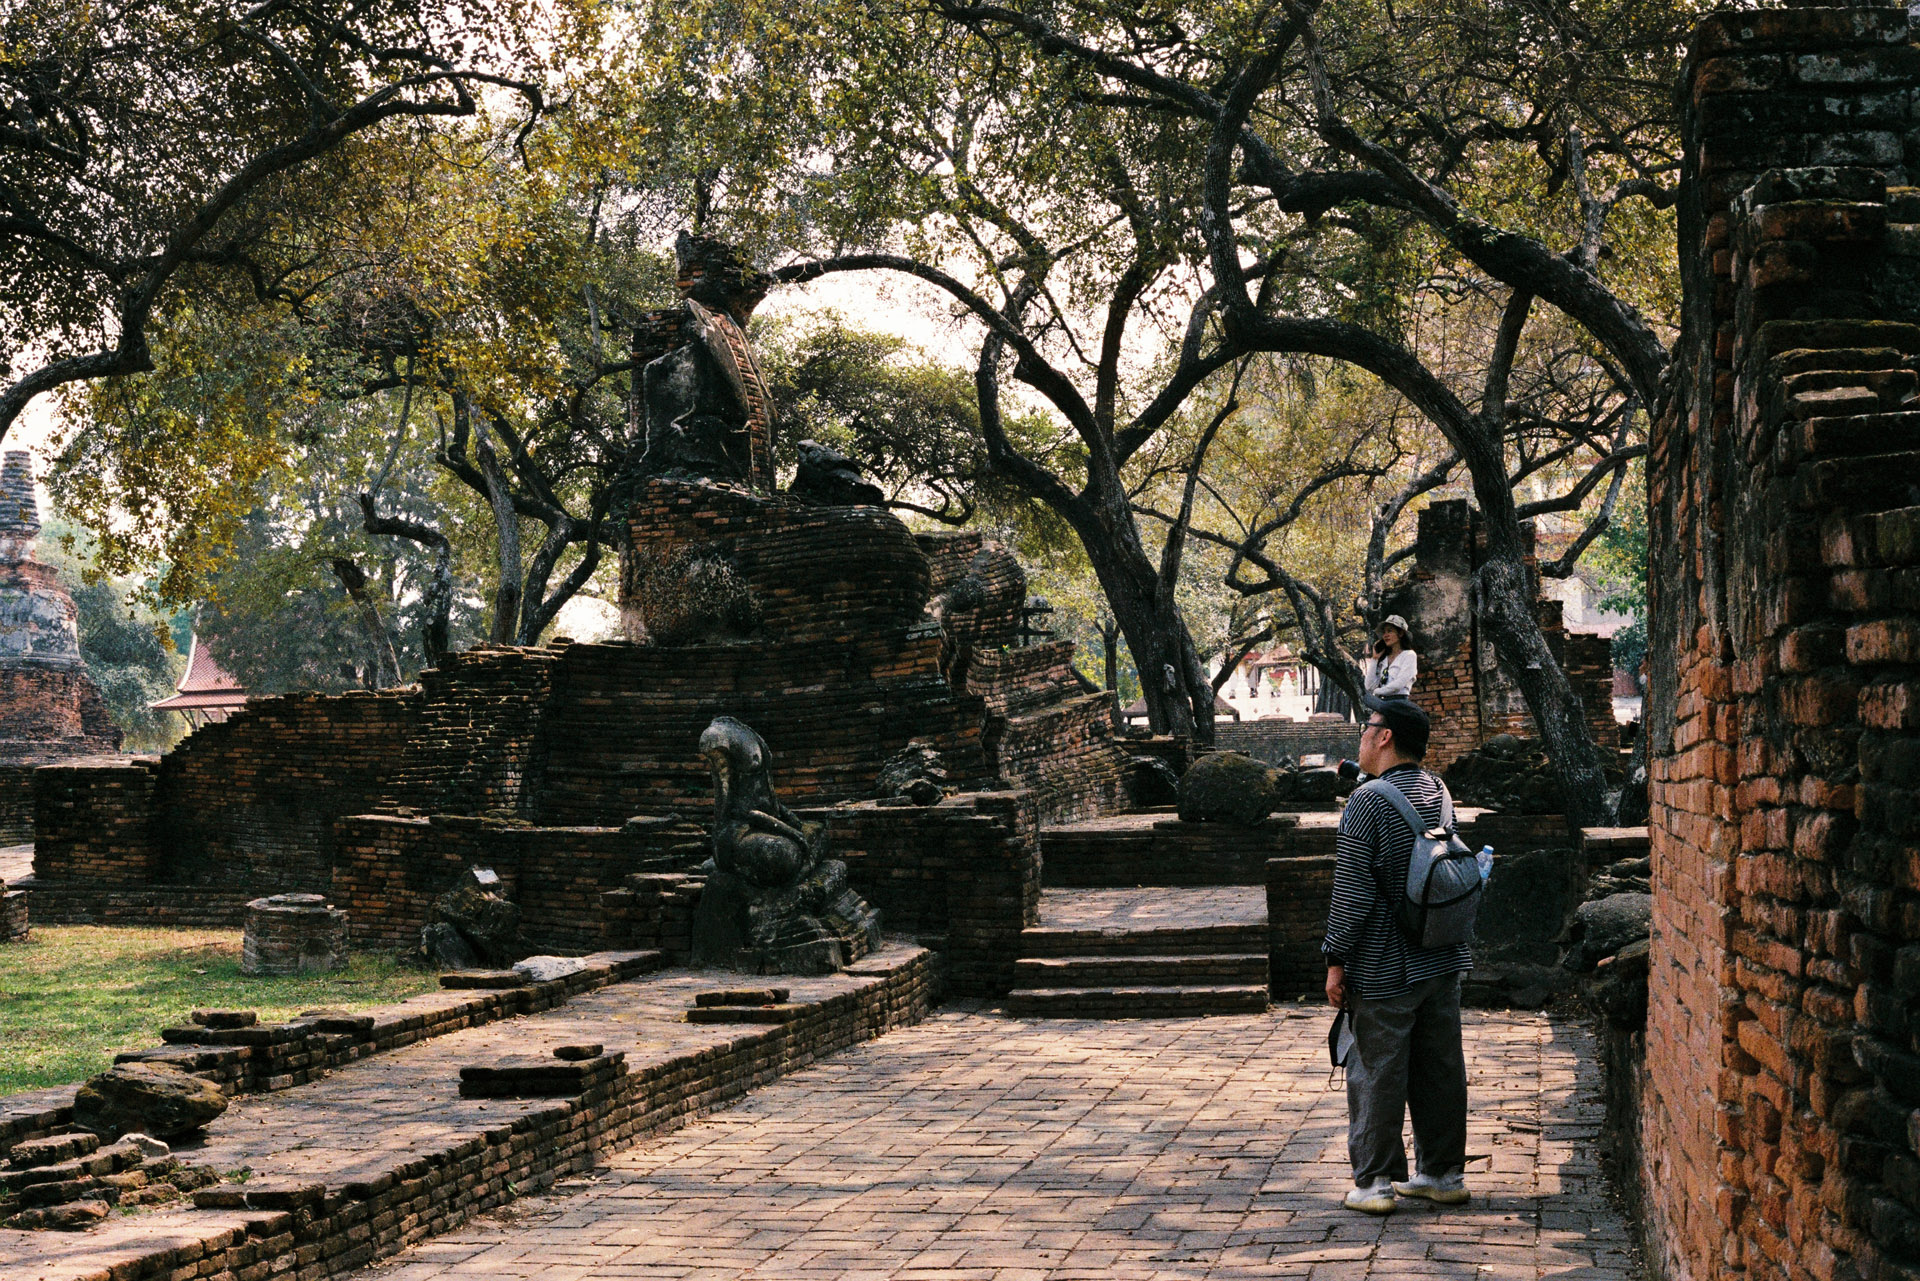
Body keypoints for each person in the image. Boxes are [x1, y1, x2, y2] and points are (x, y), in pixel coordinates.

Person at [1323, 693, 1472, 1214]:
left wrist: (1335, 958)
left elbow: (1353, 891)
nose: (1361, 735)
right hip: (1442, 951)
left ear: (1385, 736)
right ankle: (1442, 1174)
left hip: (1386, 960)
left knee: (1377, 1069)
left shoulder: (1368, 802)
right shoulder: (1438, 789)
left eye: (1367, 726)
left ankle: (1376, 1182)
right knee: (1439, 1067)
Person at [1364, 615, 1418, 699]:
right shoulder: (1384, 659)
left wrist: (1376, 692)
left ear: (1400, 633)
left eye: (1390, 631)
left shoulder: (1409, 655)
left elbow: (1398, 685)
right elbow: (1369, 686)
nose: (1385, 635)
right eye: (1384, 632)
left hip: (1399, 702)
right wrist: (1374, 659)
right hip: (1382, 703)